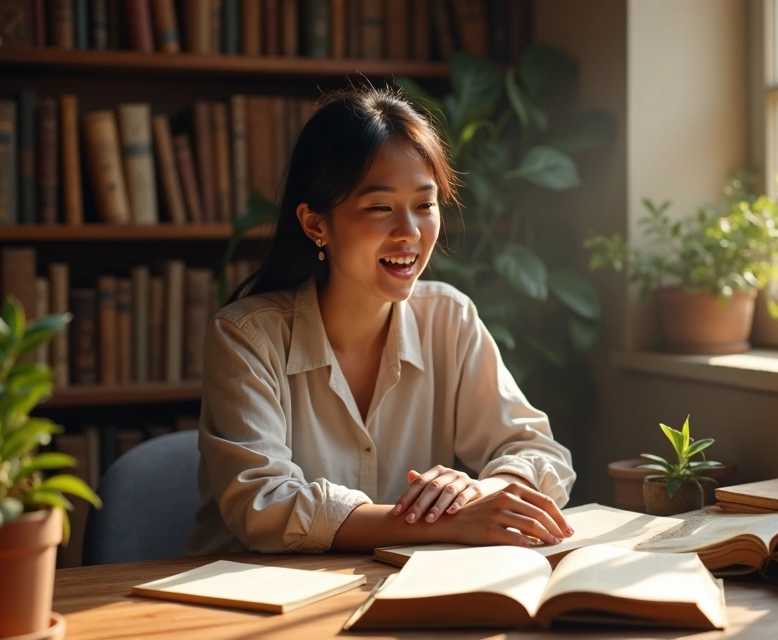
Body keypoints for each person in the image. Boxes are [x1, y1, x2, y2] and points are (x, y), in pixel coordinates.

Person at [185, 85, 577, 556]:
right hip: (250, 604)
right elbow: (264, 504)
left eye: (424, 205)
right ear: (316, 225)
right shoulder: (246, 337)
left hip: (393, 594)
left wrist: (476, 493)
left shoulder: (448, 318)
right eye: (379, 208)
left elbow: (539, 452)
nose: (409, 233)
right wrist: (440, 523)